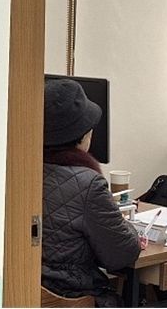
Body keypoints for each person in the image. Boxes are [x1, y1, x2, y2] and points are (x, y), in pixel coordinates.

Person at [42, 78, 141, 307]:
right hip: (72, 297)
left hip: (28, 293)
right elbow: (122, 254)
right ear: (82, 136)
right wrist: (125, 225)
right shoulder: (88, 184)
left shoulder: (17, 171)